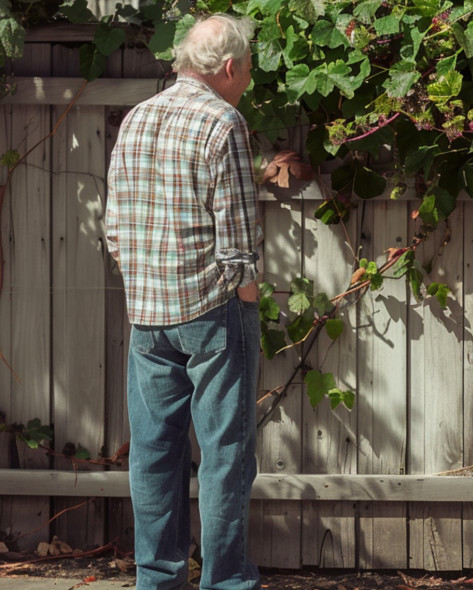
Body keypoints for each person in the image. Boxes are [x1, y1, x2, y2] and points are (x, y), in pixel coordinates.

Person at [104, 13, 262, 590]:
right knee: (224, 456)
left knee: (153, 454)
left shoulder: (137, 118)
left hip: (147, 316)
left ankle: (158, 581)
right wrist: (248, 304)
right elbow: (240, 245)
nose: (246, 80)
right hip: (212, 313)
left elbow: (115, 229)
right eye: (246, 70)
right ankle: (225, 584)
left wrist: (145, 286)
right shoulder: (224, 122)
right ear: (229, 67)